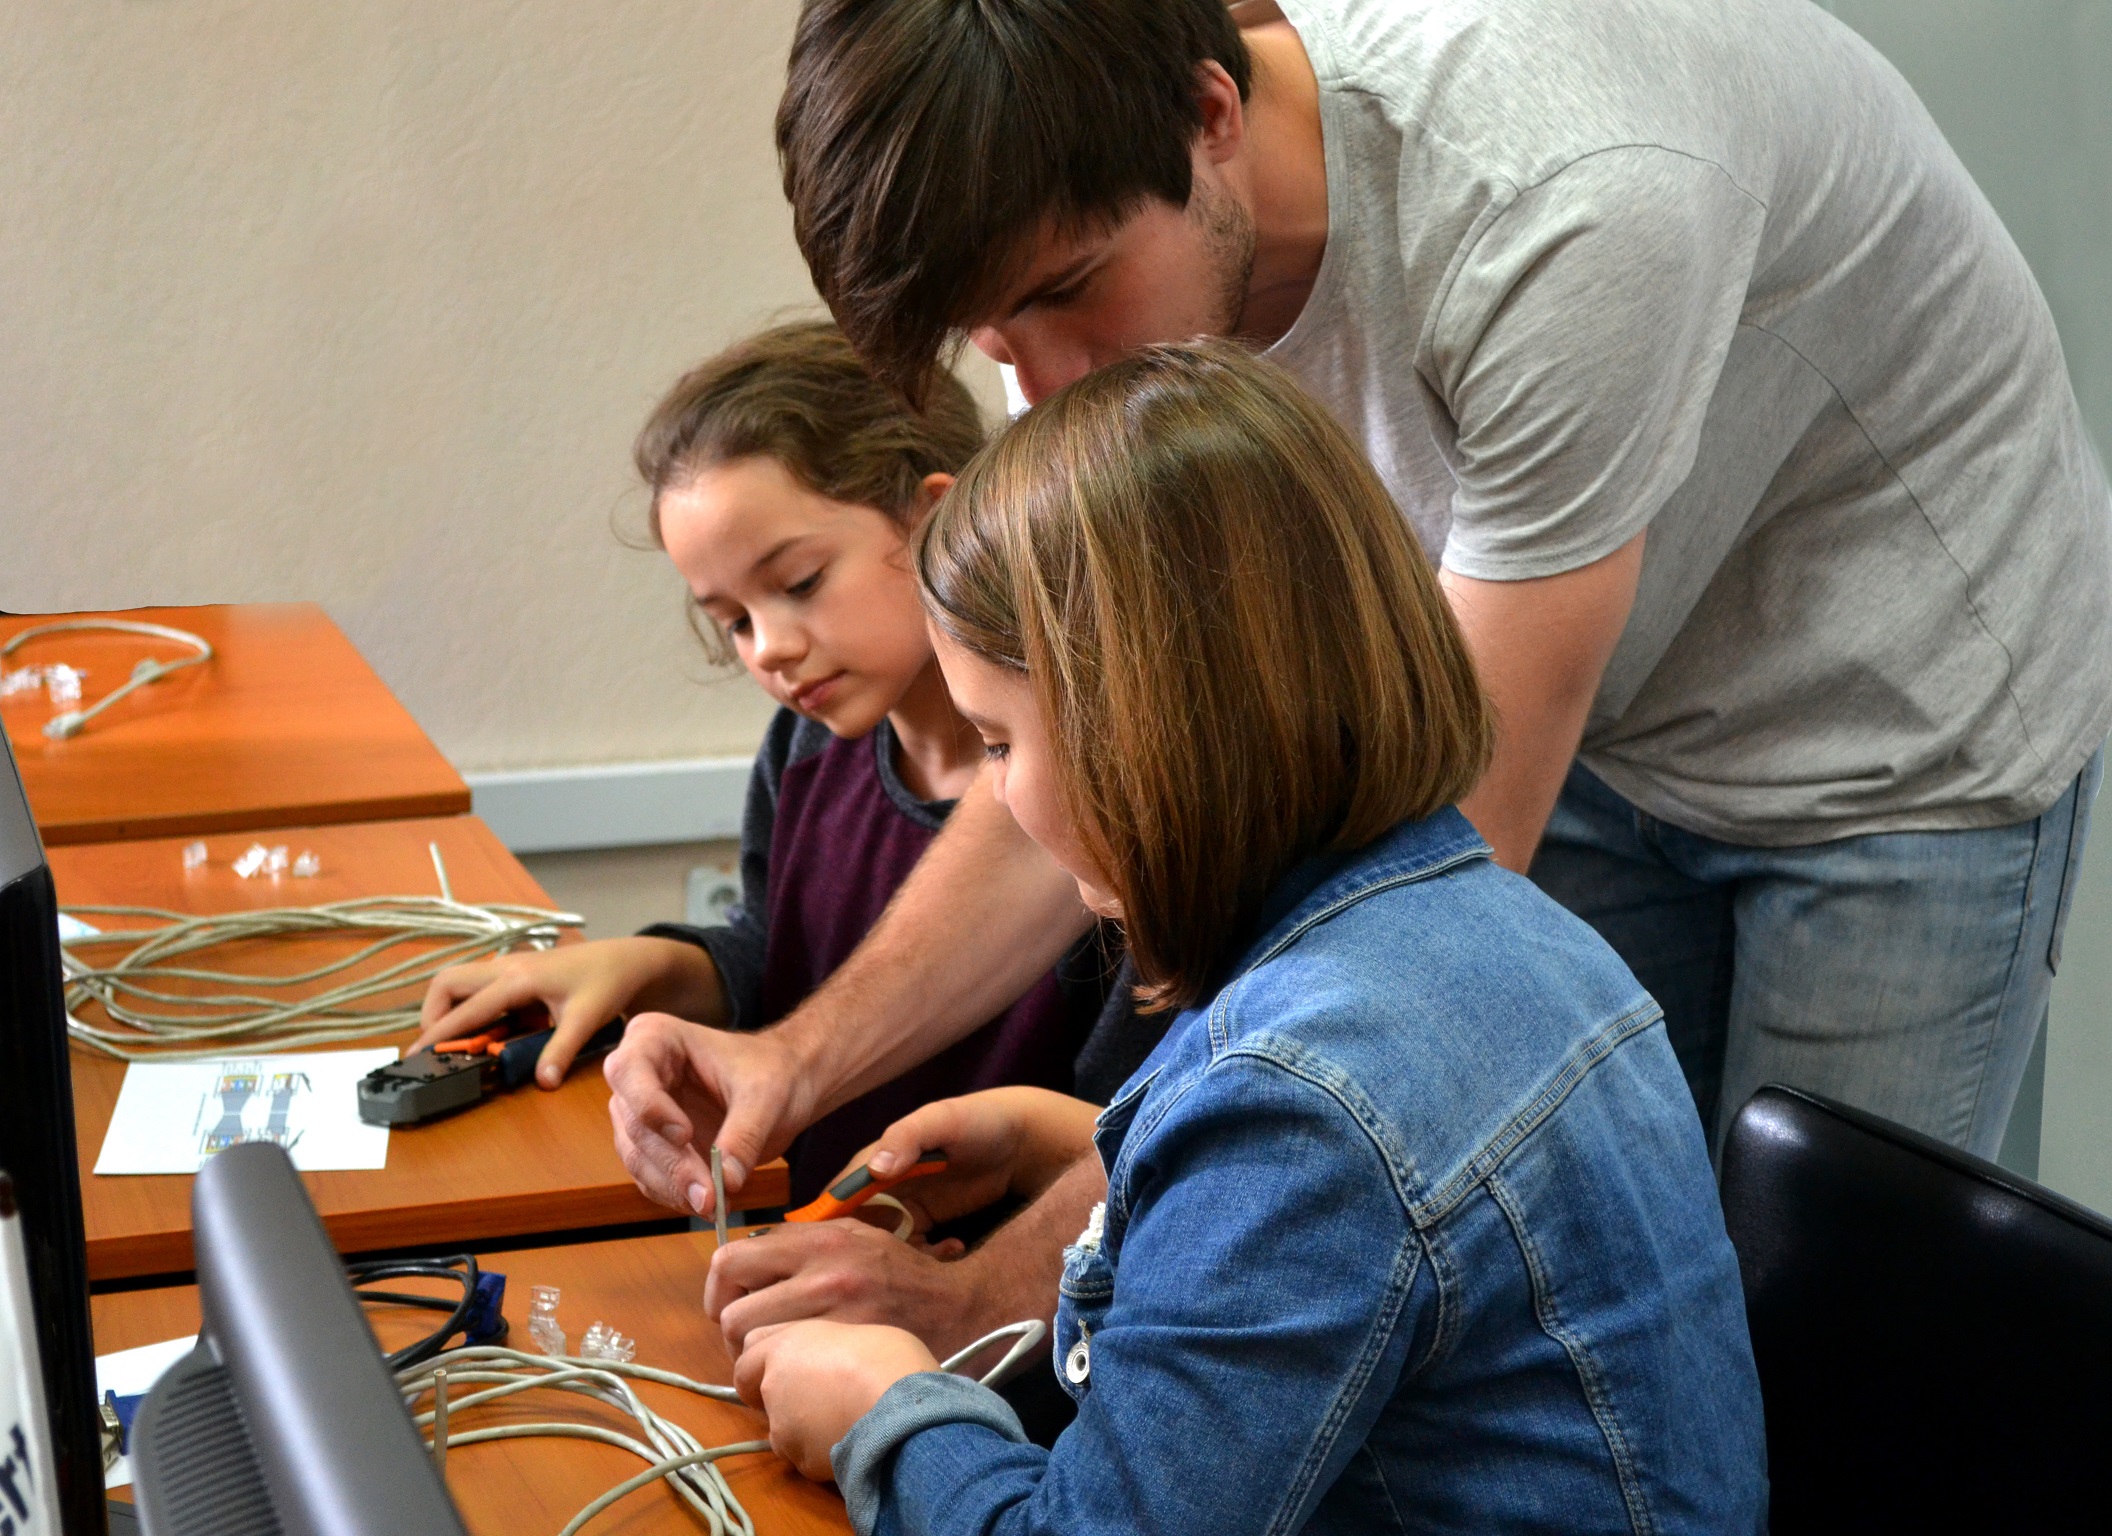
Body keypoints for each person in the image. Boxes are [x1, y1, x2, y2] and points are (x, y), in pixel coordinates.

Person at [609, 0, 2111, 1354]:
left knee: (1814, 1348)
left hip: (1893, 743)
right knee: (1606, 1291)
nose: (1048, 383)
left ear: (1211, 117)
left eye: (1069, 292)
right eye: (994, 336)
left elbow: (1392, 949)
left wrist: (986, 1298)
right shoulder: (1080, 271)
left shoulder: (1563, 201)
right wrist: (790, 1059)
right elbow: (1077, 753)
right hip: (1601, 702)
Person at [730, 342, 1768, 1533]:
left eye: (1004, 743)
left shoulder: (1297, 1109)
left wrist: (889, 1410)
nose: (1004, 802)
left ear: (1145, 731)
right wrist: (1073, 1145)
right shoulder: (1515, 932)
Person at [417, 321, 1102, 1202]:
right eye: (734, 619)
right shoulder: (809, 747)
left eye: (801, 582)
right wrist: (652, 968)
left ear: (935, 518)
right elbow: (784, 955)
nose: (769, 648)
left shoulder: (1075, 807)